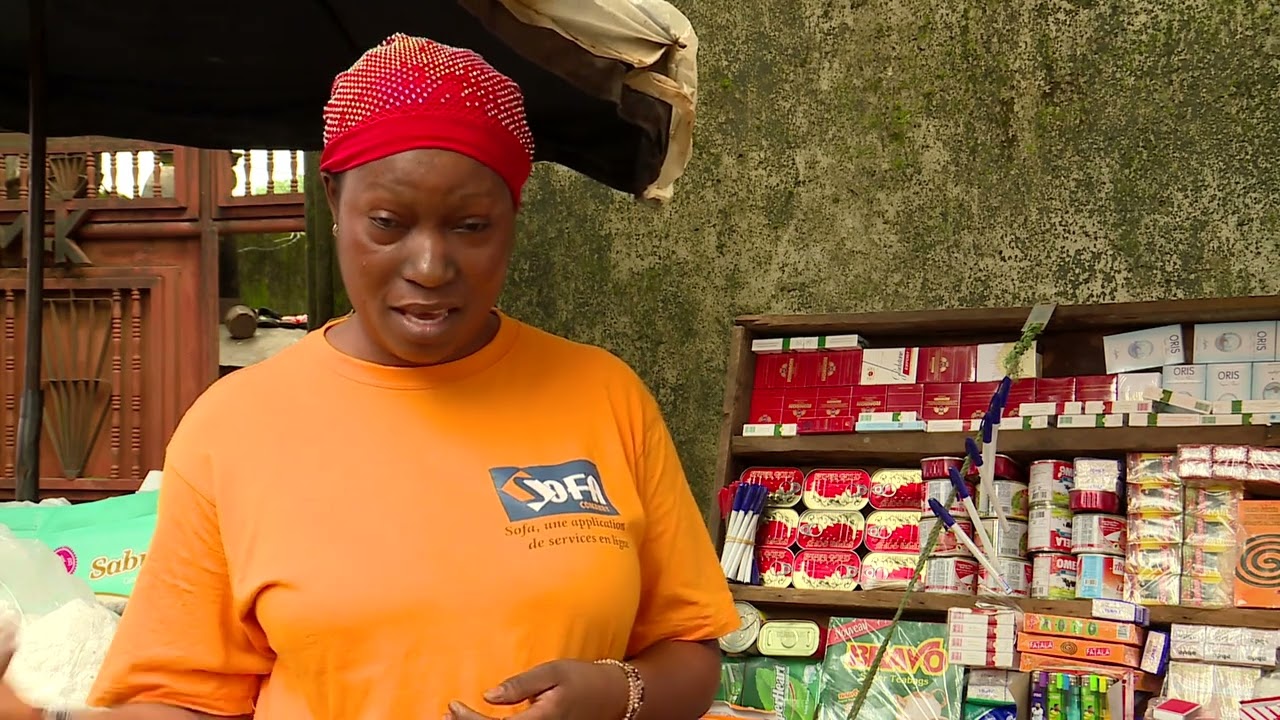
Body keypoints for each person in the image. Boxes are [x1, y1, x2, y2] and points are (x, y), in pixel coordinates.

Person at [0, 33, 738, 720]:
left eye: (470, 226)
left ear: (513, 213)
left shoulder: (603, 396)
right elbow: (178, 695)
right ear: (334, 203)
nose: (428, 266)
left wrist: (617, 692)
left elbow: (690, 649)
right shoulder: (235, 429)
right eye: (388, 223)